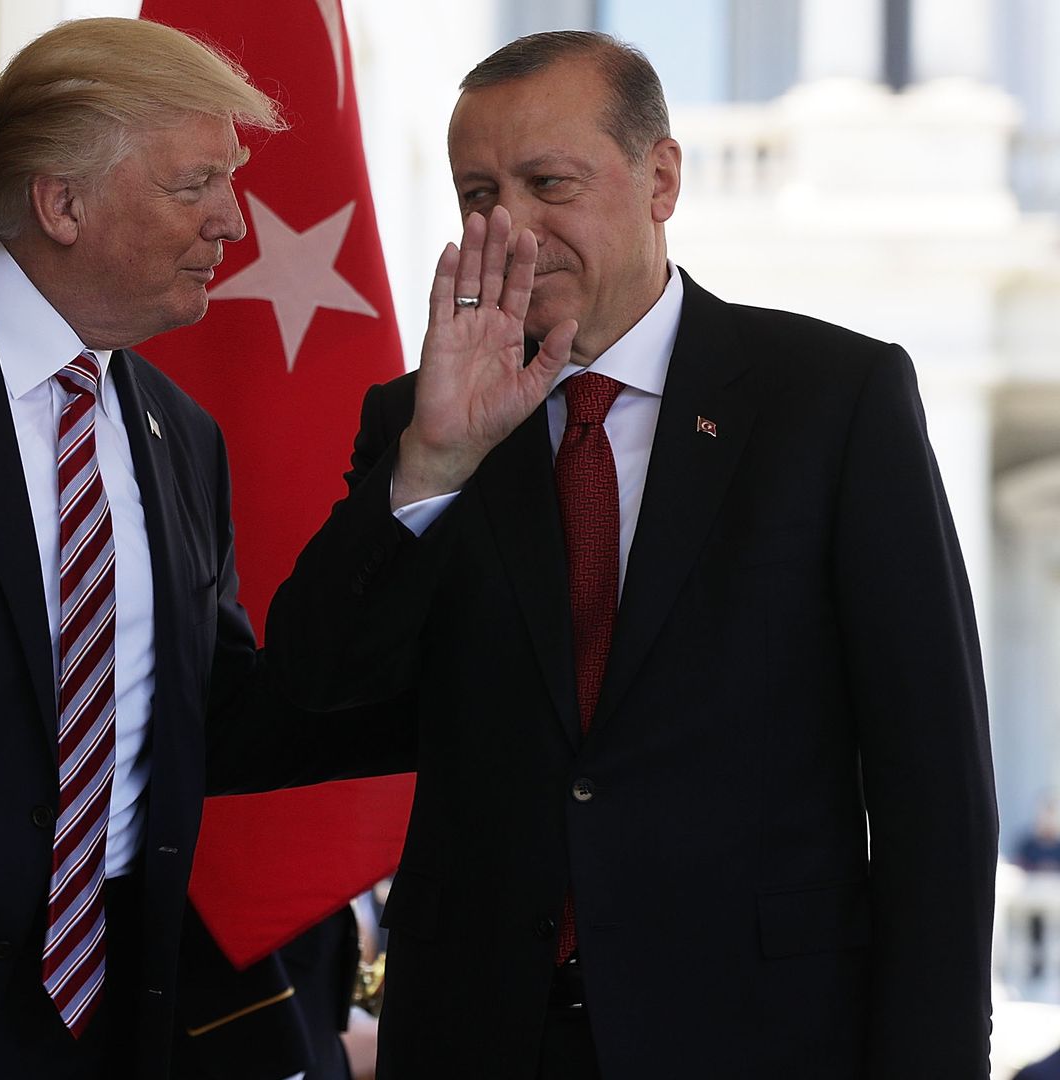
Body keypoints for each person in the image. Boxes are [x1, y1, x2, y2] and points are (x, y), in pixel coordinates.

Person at [264, 30, 996, 1080]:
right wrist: (430, 465)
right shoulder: (422, 421)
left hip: (757, 1038)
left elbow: (935, 794)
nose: (508, 224)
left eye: (548, 182)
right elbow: (309, 694)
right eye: (479, 193)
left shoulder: (831, 403)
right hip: (479, 1038)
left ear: (661, 179)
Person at [0, 17, 393, 1080]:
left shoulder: (180, 434)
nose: (232, 222)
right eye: (195, 184)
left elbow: (219, 715)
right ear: (61, 202)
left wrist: (421, 497)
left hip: (120, 1012)